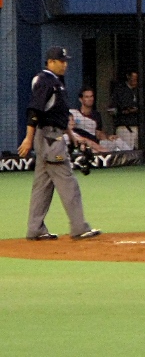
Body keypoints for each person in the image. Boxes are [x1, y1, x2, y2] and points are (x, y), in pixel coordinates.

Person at [17, 47, 101, 241]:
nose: (65, 64)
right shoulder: (45, 81)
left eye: (65, 60)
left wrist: (71, 134)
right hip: (49, 138)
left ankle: (35, 229)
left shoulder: (56, 82)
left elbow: (58, 114)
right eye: (61, 61)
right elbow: (34, 111)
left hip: (51, 135)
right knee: (68, 182)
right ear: (50, 62)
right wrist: (28, 139)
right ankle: (79, 227)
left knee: (42, 186)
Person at [108, 70, 145, 158]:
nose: (135, 81)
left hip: (140, 128)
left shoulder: (141, 91)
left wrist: (139, 109)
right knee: (126, 156)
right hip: (125, 127)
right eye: (133, 79)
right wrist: (124, 111)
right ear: (128, 76)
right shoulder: (120, 90)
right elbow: (110, 110)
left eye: (136, 79)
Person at [70, 87, 132, 151]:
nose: (90, 99)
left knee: (117, 141)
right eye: (87, 97)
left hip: (97, 144)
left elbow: (98, 133)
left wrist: (108, 137)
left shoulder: (96, 115)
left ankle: (132, 157)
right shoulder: (74, 114)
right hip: (83, 146)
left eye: (91, 96)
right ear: (81, 99)